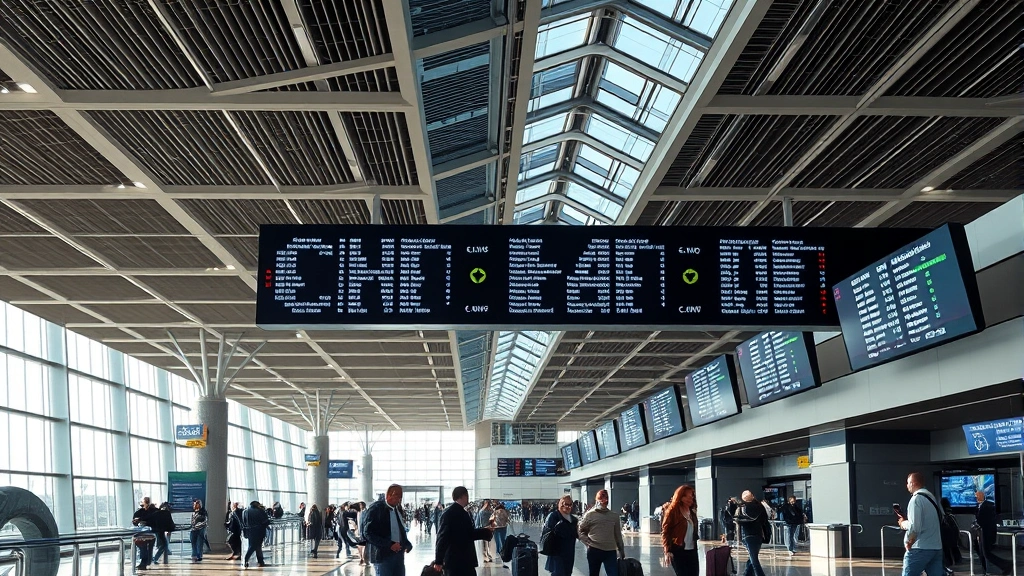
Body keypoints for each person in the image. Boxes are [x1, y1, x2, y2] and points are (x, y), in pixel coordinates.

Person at [433, 486, 494, 576]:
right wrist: (486, 532)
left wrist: (439, 560)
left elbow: (442, 537)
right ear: (463, 496)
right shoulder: (460, 514)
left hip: (454, 560)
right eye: (467, 495)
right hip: (463, 560)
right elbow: (468, 534)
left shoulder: (449, 513)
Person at [896, 472, 944, 576]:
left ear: (913, 483)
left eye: (908, 483)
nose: (907, 486)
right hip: (936, 547)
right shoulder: (931, 498)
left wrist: (903, 523)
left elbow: (915, 526)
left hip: (920, 548)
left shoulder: (916, 499)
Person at [363, 484, 413, 576]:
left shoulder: (396, 510)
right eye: (396, 496)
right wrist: (389, 544)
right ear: (388, 495)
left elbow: (400, 530)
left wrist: (406, 543)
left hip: (398, 555)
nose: (399, 499)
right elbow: (368, 533)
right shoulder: (376, 509)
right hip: (383, 556)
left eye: (400, 497)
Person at [578, 489, 625, 576]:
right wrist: (587, 541)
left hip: (610, 551)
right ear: (597, 500)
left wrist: (621, 550)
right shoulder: (590, 515)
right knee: (594, 573)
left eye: (606, 498)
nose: (604, 500)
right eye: (602, 498)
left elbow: (618, 535)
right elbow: (580, 531)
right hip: (594, 550)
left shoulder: (614, 516)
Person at [661, 486, 699, 576]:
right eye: (687, 496)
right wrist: (667, 550)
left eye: (692, 496)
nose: (690, 498)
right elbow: (665, 532)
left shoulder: (692, 512)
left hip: (692, 551)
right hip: (678, 550)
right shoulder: (672, 511)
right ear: (680, 497)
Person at [974, 489, 1011, 575]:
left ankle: (1006, 565)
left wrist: (977, 523)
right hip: (982, 533)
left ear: (983, 495)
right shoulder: (981, 506)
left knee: (987, 554)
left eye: (978, 495)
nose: (976, 497)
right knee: (983, 553)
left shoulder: (987, 506)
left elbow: (983, 521)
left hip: (986, 534)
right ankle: (987, 570)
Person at [543, 495, 579, 576]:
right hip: (557, 553)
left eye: (570, 505)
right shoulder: (553, 516)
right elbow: (549, 532)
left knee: (567, 572)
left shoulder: (573, 519)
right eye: (566, 504)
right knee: (558, 573)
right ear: (561, 504)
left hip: (569, 553)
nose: (568, 507)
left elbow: (577, 533)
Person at [734, 491, 767, 576]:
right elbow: (765, 520)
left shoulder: (742, 508)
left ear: (743, 498)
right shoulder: (760, 506)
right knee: (752, 556)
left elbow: (738, 521)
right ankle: (747, 574)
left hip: (748, 534)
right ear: (752, 496)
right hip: (758, 534)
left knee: (754, 559)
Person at [242, 500, 271, 568]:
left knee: (254, 545)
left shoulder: (245, 511)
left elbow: (243, 522)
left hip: (249, 531)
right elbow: (265, 521)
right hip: (259, 531)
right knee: (254, 546)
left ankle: (260, 561)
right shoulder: (260, 511)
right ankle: (246, 559)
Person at [132, 496, 157, 570]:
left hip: (146, 532)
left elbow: (136, 521)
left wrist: (138, 521)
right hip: (150, 532)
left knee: (144, 547)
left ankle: (145, 562)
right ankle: (145, 562)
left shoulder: (141, 512)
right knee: (147, 547)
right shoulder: (152, 511)